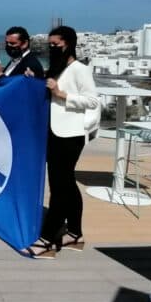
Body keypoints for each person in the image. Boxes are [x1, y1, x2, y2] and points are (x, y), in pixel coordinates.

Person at [28, 26, 98, 259]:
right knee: (67, 185)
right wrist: (36, 81)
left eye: (54, 44)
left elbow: (92, 101)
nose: (50, 48)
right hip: (54, 133)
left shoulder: (79, 69)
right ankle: (75, 234)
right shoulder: (58, 68)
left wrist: (62, 94)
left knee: (59, 188)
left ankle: (47, 240)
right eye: (49, 44)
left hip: (70, 136)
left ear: (67, 43)